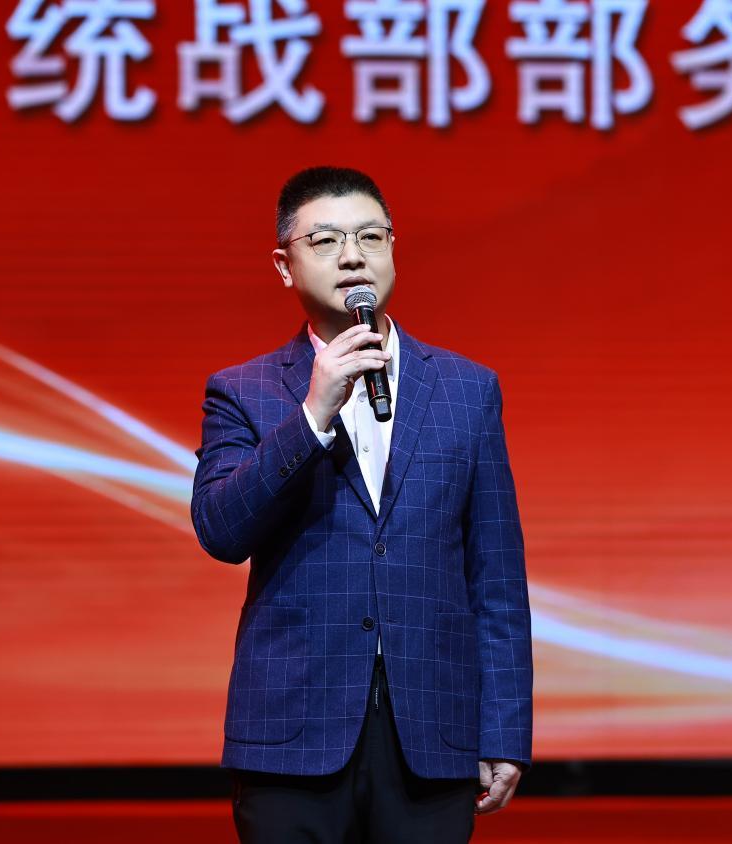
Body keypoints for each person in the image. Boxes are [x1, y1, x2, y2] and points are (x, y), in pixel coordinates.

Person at [191, 166, 532, 843]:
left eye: (370, 237)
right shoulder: (242, 390)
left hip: (431, 732)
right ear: (284, 265)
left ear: (392, 250)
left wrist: (503, 728)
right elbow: (222, 531)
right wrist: (312, 415)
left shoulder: (467, 389)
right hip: (291, 734)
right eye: (325, 240)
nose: (352, 255)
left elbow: (495, 576)